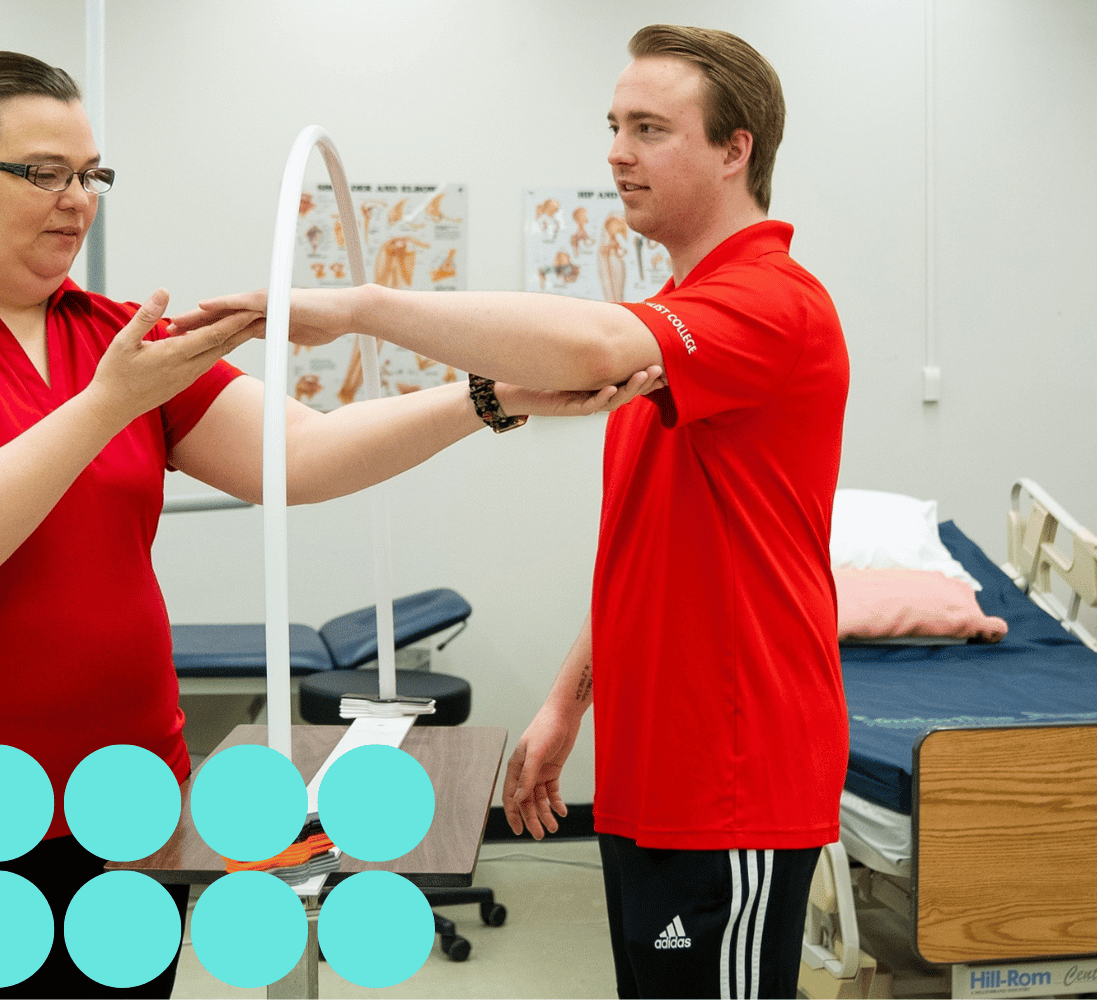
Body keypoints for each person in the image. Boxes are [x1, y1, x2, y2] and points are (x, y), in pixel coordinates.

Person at [0, 50, 658, 999]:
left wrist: (489, 397)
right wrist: (106, 406)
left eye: (90, 176)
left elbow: (300, 453)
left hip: (117, 811)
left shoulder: (111, 338)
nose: (77, 200)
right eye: (44, 173)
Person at [188, 23, 849, 1000]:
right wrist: (563, 702)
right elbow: (644, 553)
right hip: (654, 772)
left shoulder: (768, 302)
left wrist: (367, 305)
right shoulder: (682, 319)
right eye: (613, 124)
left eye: (649, 128)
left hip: (732, 784)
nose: (616, 151)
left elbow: (582, 343)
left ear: (734, 146)